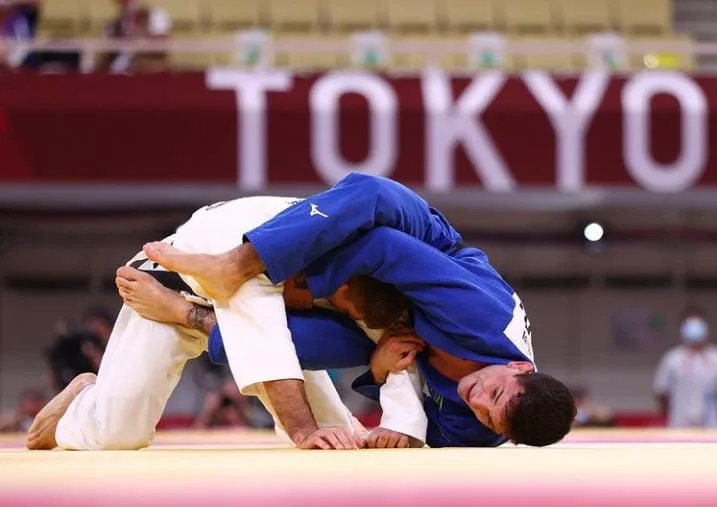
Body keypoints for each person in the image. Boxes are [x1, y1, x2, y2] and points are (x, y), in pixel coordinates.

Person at [143, 173, 576, 446]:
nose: (475, 399)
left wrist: (383, 374)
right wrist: (302, 286)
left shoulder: (487, 427)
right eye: (493, 392)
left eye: (487, 414)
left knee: (301, 345)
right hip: (426, 247)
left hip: (398, 326)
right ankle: (234, 265)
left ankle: (192, 318)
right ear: (519, 367)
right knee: (370, 195)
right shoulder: (481, 315)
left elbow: (422, 432)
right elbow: (383, 246)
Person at [28, 191, 422, 451]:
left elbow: (395, 340)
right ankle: (80, 403)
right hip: (168, 287)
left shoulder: (362, 261)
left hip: (226, 294)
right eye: (343, 305)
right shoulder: (268, 255)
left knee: (339, 439)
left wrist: (403, 423)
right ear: (346, 287)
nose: (325, 307)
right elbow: (265, 347)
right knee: (117, 434)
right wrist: (302, 430)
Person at [654, 308, 717, 428]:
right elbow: (662, 392)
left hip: (712, 426)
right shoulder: (672, 358)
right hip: (680, 424)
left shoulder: (715, 357)